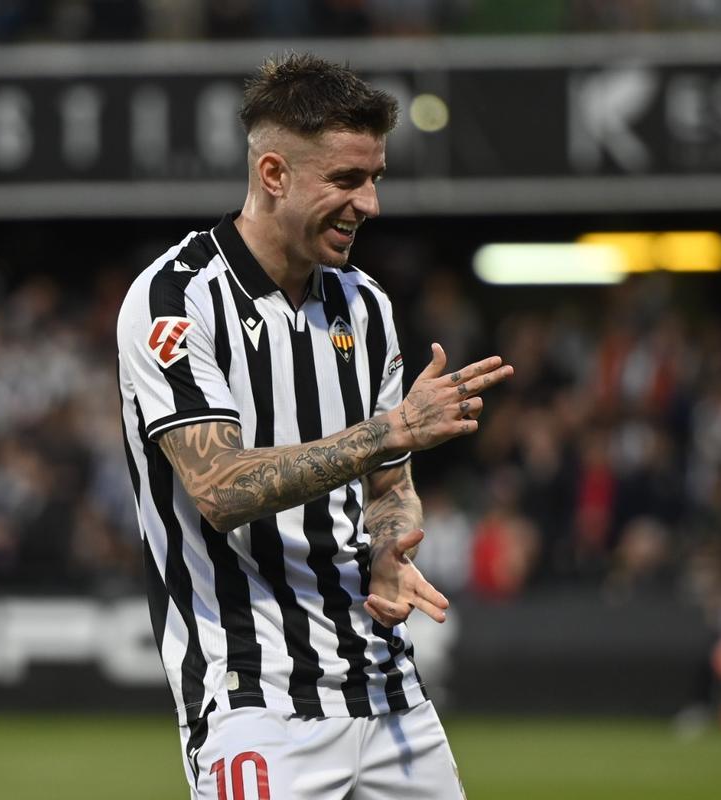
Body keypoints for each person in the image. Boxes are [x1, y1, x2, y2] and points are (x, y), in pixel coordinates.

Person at [117, 53, 512, 799]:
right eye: (346, 180)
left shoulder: (365, 307)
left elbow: (388, 487)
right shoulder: (175, 300)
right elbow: (222, 489)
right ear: (273, 174)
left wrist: (394, 542)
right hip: (253, 695)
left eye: (376, 178)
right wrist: (390, 430)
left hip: (387, 688)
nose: (370, 204)